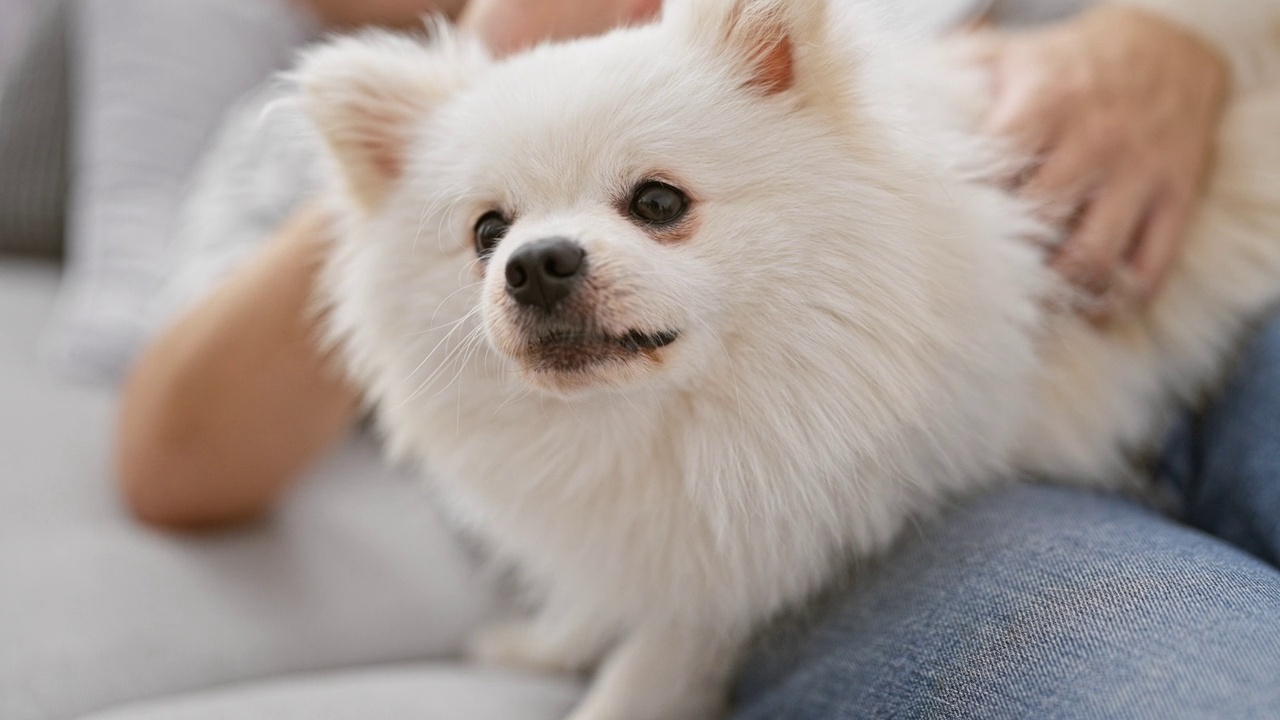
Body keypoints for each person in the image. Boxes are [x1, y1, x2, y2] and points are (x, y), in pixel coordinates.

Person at [115, 0, 1280, 716]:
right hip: (936, 526)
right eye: (489, 236)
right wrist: (480, 73)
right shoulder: (294, 144)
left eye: (657, 202)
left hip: (1229, 271)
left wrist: (1166, 34)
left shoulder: (762, 38)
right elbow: (173, 454)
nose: (532, 263)